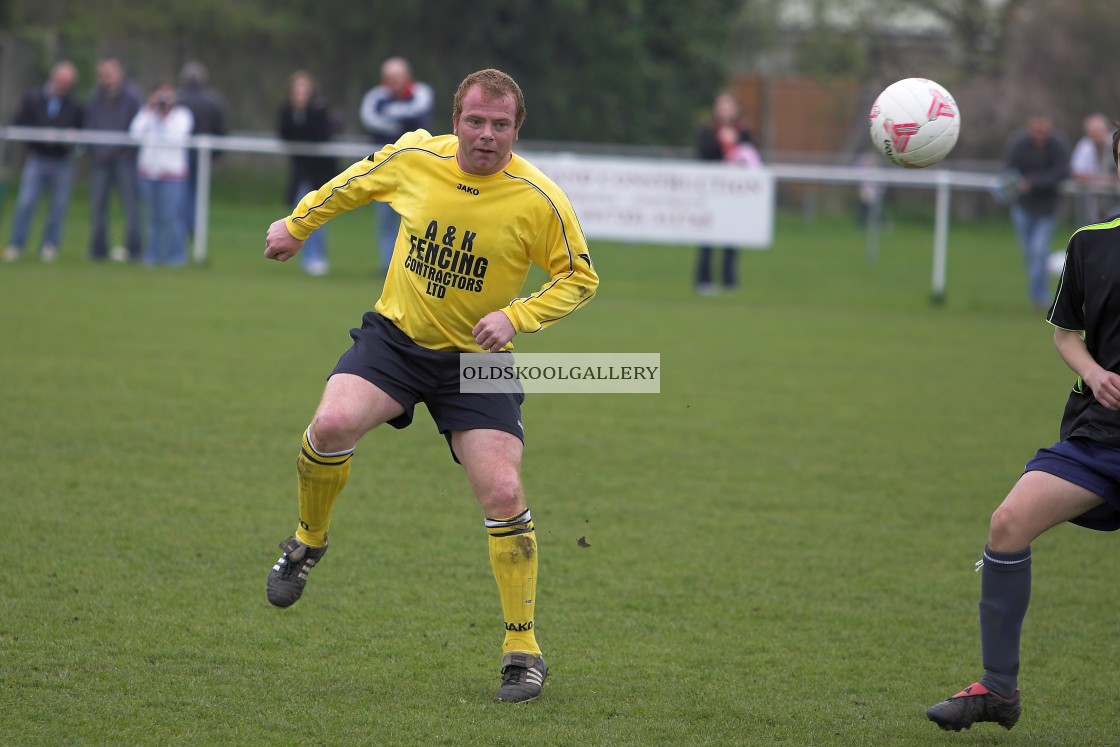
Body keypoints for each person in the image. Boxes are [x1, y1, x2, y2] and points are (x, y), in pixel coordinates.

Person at [263, 68, 598, 703]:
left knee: (502, 491)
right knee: (330, 425)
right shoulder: (417, 156)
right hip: (396, 342)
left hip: (477, 362)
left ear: (516, 130)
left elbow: (580, 277)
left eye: (501, 125)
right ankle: (307, 541)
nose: (487, 135)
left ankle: (522, 650)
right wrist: (299, 223)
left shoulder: (540, 198)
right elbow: (354, 184)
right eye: (476, 121)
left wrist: (515, 315)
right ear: (456, 120)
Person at [926, 125, 1120, 733]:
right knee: (1008, 522)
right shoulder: (1091, 244)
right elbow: (1065, 333)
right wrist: (1094, 372)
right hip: (1102, 437)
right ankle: (998, 689)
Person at [3, 61, 84, 263]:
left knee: (58, 206)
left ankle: (50, 246)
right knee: (26, 202)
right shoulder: (33, 98)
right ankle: (16, 244)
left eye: (68, 82)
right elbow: (20, 123)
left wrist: (68, 139)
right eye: (61, 80)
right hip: (37, 158)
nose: (64, 85)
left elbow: (81, 129)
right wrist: (39, 136)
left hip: (62, 161)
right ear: (53, 78)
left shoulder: (74, 104)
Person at [359, 57, 433, 272]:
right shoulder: (375, 96)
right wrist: (401, 122)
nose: (395, 81)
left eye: (399, 76)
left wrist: (390, 118)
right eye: (390, 77)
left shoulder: (421, 92)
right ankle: (389, 266)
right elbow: (369, 119)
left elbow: (418, 115)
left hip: (418, 168)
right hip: (385, 169)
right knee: (386, 220)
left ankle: (414, 267)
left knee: (417, 219)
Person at [1004, 114, 1070, 309]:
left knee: (1039, 250)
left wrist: (1032, 182)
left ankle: (1040, 296)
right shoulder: (1018, 144)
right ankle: (1038, 295)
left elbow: (1061, 172)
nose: (1041, 134)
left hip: (1047, 208)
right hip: (1023, 207)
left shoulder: (1058, 145)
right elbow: (1009, 169)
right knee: (1029, 253)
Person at [278, 71, 338, 276]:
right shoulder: (287, 112)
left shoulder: (319, 111)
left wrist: (307, 116)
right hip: (301, 173)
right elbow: (285, 135)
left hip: (319, 173)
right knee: (299, 213)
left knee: (317, 215)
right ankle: (306, 258)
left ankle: (317, 258)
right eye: (297, 90)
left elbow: (319, 135)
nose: (301, 94)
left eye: (305, 90)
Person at [694, 92, 755, 295]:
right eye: (721, 106)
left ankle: (730, 281)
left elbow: (749, 158)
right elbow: (703, 154)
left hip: (733, 196)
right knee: (707, 236)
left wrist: (734, 143)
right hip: (711, 192)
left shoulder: (743, 132)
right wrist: (720, 142)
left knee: (732, 236)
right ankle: (704, 280)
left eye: (729, 106)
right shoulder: (708, 131)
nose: (725, 110)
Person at [85, 57, 143, 263]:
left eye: (109, 74)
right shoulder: (95, 97)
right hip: (100, 160)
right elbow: (90, 124)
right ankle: (98, 250)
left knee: (131, 207)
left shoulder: (132, 97)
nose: (106, 79)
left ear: (119, 74)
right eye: (103, 74)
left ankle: (134, 250)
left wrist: (124, 150)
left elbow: (138, 127)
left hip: (124, 160)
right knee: (98, 207)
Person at [130, 82, 193, 267]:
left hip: (172, 175)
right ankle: (152, 255)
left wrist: (165, 117)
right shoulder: (146, 114)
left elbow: (177, 138)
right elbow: (134, 134)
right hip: (148, 173)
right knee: (150, 217)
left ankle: (176, 257)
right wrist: (150, 111)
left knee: (171, 216)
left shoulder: (182, 115)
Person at [176, 61, 226, 240]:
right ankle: (194, 229)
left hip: (181, 156)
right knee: (198, 195)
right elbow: (221, 130)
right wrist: (215, 156)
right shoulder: (213, 101)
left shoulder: (178, 98)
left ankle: (186, 229)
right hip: (204, 157)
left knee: (183, 193)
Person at [1069, 112, 1117, 226]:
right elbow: (1076, 172)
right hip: (1093, 202)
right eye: (1091, 133)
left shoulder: (1116, 143)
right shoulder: (1085, 145)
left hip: (1115, 201)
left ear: (1105, 130)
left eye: (1097, 132)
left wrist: (1097, 178)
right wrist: (1101, 178)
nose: (1094, 137)